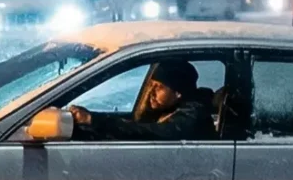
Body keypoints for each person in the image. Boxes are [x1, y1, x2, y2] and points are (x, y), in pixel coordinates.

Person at [73, 59, 217, 141]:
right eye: (150, 85)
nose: (151, 92)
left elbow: (150, 132)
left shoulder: (193, 115)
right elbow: (136, 125)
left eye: (159, 87)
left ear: (178, 93)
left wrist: (93, 119)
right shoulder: (168, 110)